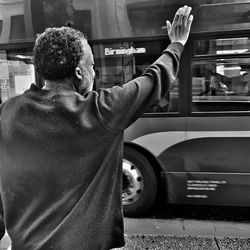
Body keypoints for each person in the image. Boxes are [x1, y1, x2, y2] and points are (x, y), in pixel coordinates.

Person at [0, 5, 193, 250]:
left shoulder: (7, 114)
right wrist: (176, 44)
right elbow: (153, 81)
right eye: (92, 65)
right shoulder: (101, 111)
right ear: (79, 73)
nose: (95, 71)